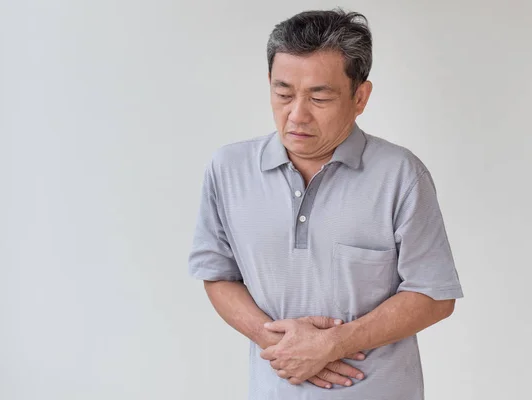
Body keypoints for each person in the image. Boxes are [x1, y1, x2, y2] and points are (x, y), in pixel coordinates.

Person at [188, 8, 463, 400]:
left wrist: (334, 343)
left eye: (320, 96)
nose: (296, 115)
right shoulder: (227, 169)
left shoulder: (401, 174)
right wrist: (284, 344)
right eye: (283, 93)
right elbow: (217, 274)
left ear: (360, 96)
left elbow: (435, 295)